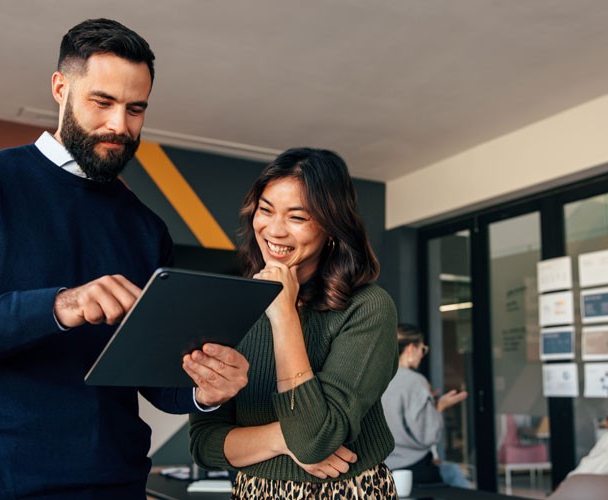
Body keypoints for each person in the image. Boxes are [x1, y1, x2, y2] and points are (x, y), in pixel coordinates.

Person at [0, 18, 249, 499]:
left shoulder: (147, 229)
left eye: (136, 109)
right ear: (60, 88)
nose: (120, 125)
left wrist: (203, 389)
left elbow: (155, 377)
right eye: (103, 102)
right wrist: (60, 306)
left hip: (118, 488)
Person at [188, 147, 400, 498]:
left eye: (297, 218)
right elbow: (205, 443)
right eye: (266, 210)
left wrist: (283, 314)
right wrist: (281, 439)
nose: (274, 230)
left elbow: (314, 442)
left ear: (331, 228)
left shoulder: (367, 308)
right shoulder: (227, 307)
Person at [381, 323, 471, 488]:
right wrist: (439, 408)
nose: (422, 355)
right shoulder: (415, 381)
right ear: (410, 349)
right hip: (414, 469)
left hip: (383, 468)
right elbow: (428, 435)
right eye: (422, 349)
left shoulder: (376, 378)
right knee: (454, 475)